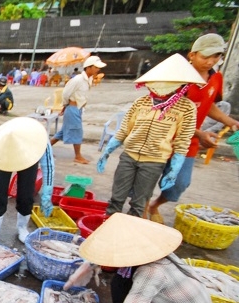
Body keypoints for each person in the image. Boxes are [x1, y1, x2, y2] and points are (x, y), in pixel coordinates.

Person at [59, 213, 213, 303]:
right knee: (121, 280)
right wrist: (80, 273)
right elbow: (109, 256)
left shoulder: (151, 271)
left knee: (121, 288)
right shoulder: (151, 252)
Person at [146, 34, 239, 223]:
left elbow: (209, 104)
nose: (210, 62)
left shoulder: (216, 78)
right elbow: (165, 110)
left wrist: (229, 121)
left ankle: (154, 205)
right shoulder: (176, 79)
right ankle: (143, 207)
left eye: (216, 57)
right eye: (205, 57)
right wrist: (199, 133)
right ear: (192, 55)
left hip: (188, 143)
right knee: (147, 178)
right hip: (161, 137)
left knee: (180, 183)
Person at [98, 54, 201, 218]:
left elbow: (183, 140)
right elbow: (125, 129)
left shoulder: (186, 108)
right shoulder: (141, 102)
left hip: (154, 161)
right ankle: (108, 225)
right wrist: (108, 151)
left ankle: (130, 234)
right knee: (116, 199)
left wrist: (174, 168)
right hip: (129, 156)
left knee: (139, 204)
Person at [0, 117, 54, 244]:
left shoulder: (39, 140)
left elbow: (48, 166)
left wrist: (47, 193)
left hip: (29, 158)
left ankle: (22, 228)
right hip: (4, 158)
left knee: (26, 195)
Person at [49, 56, 106, 164]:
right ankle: (78, 156)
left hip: (78, 108)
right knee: (77, 132)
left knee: (61, 133)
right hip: (72, 108)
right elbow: (65, 94)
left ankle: (43, 150)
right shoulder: (78, 79)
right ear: (88, 67)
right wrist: (65, 106)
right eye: (96, 67)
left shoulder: (88, 79)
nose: (98, 70)